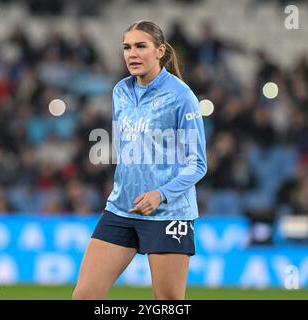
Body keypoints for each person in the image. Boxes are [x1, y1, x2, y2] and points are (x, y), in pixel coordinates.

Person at [72, 20, 207, 300]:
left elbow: (198, 164)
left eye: (140, 46)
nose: (132, 54)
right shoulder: (120, 91)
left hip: (168, 214)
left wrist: (161, 194)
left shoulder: (182, 96)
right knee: (84, 297)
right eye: (127, 47)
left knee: (167, 303)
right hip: (121, 209)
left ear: (160, 51)